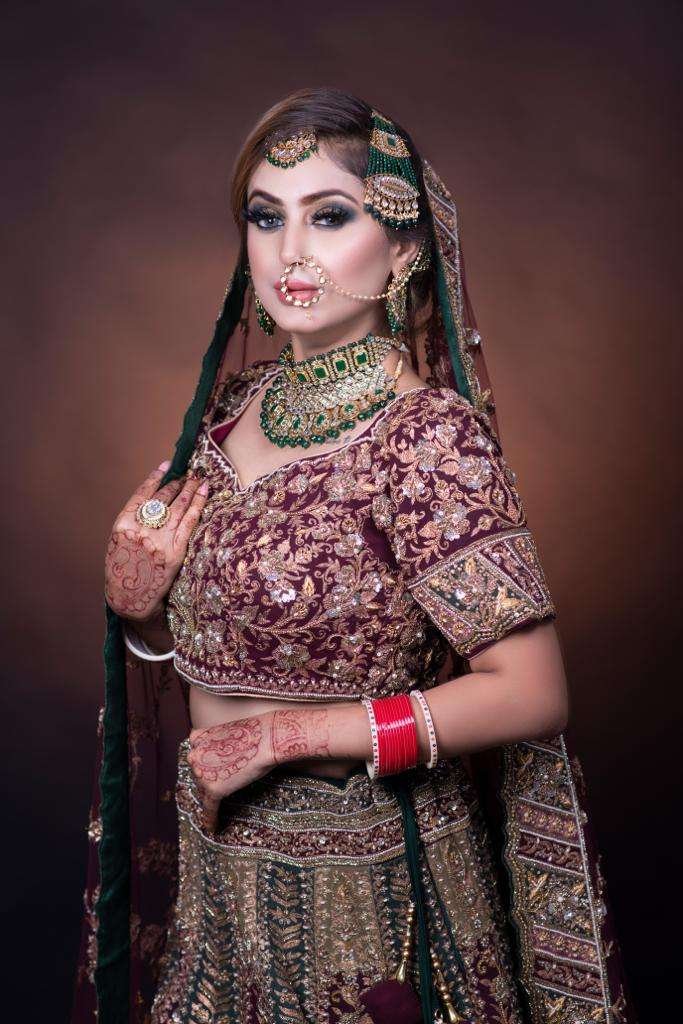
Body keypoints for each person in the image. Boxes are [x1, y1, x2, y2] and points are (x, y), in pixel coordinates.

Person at [72, 88, 636, 1024]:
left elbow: (531, 691)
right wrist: (140, 615)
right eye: (266, 218)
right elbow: (222, 651)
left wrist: (283, 740)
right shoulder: (230, 413)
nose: (290, 252)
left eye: (329, 216)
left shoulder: (423, 438)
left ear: (404, 251)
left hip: (372, 896)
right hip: (220, 890)